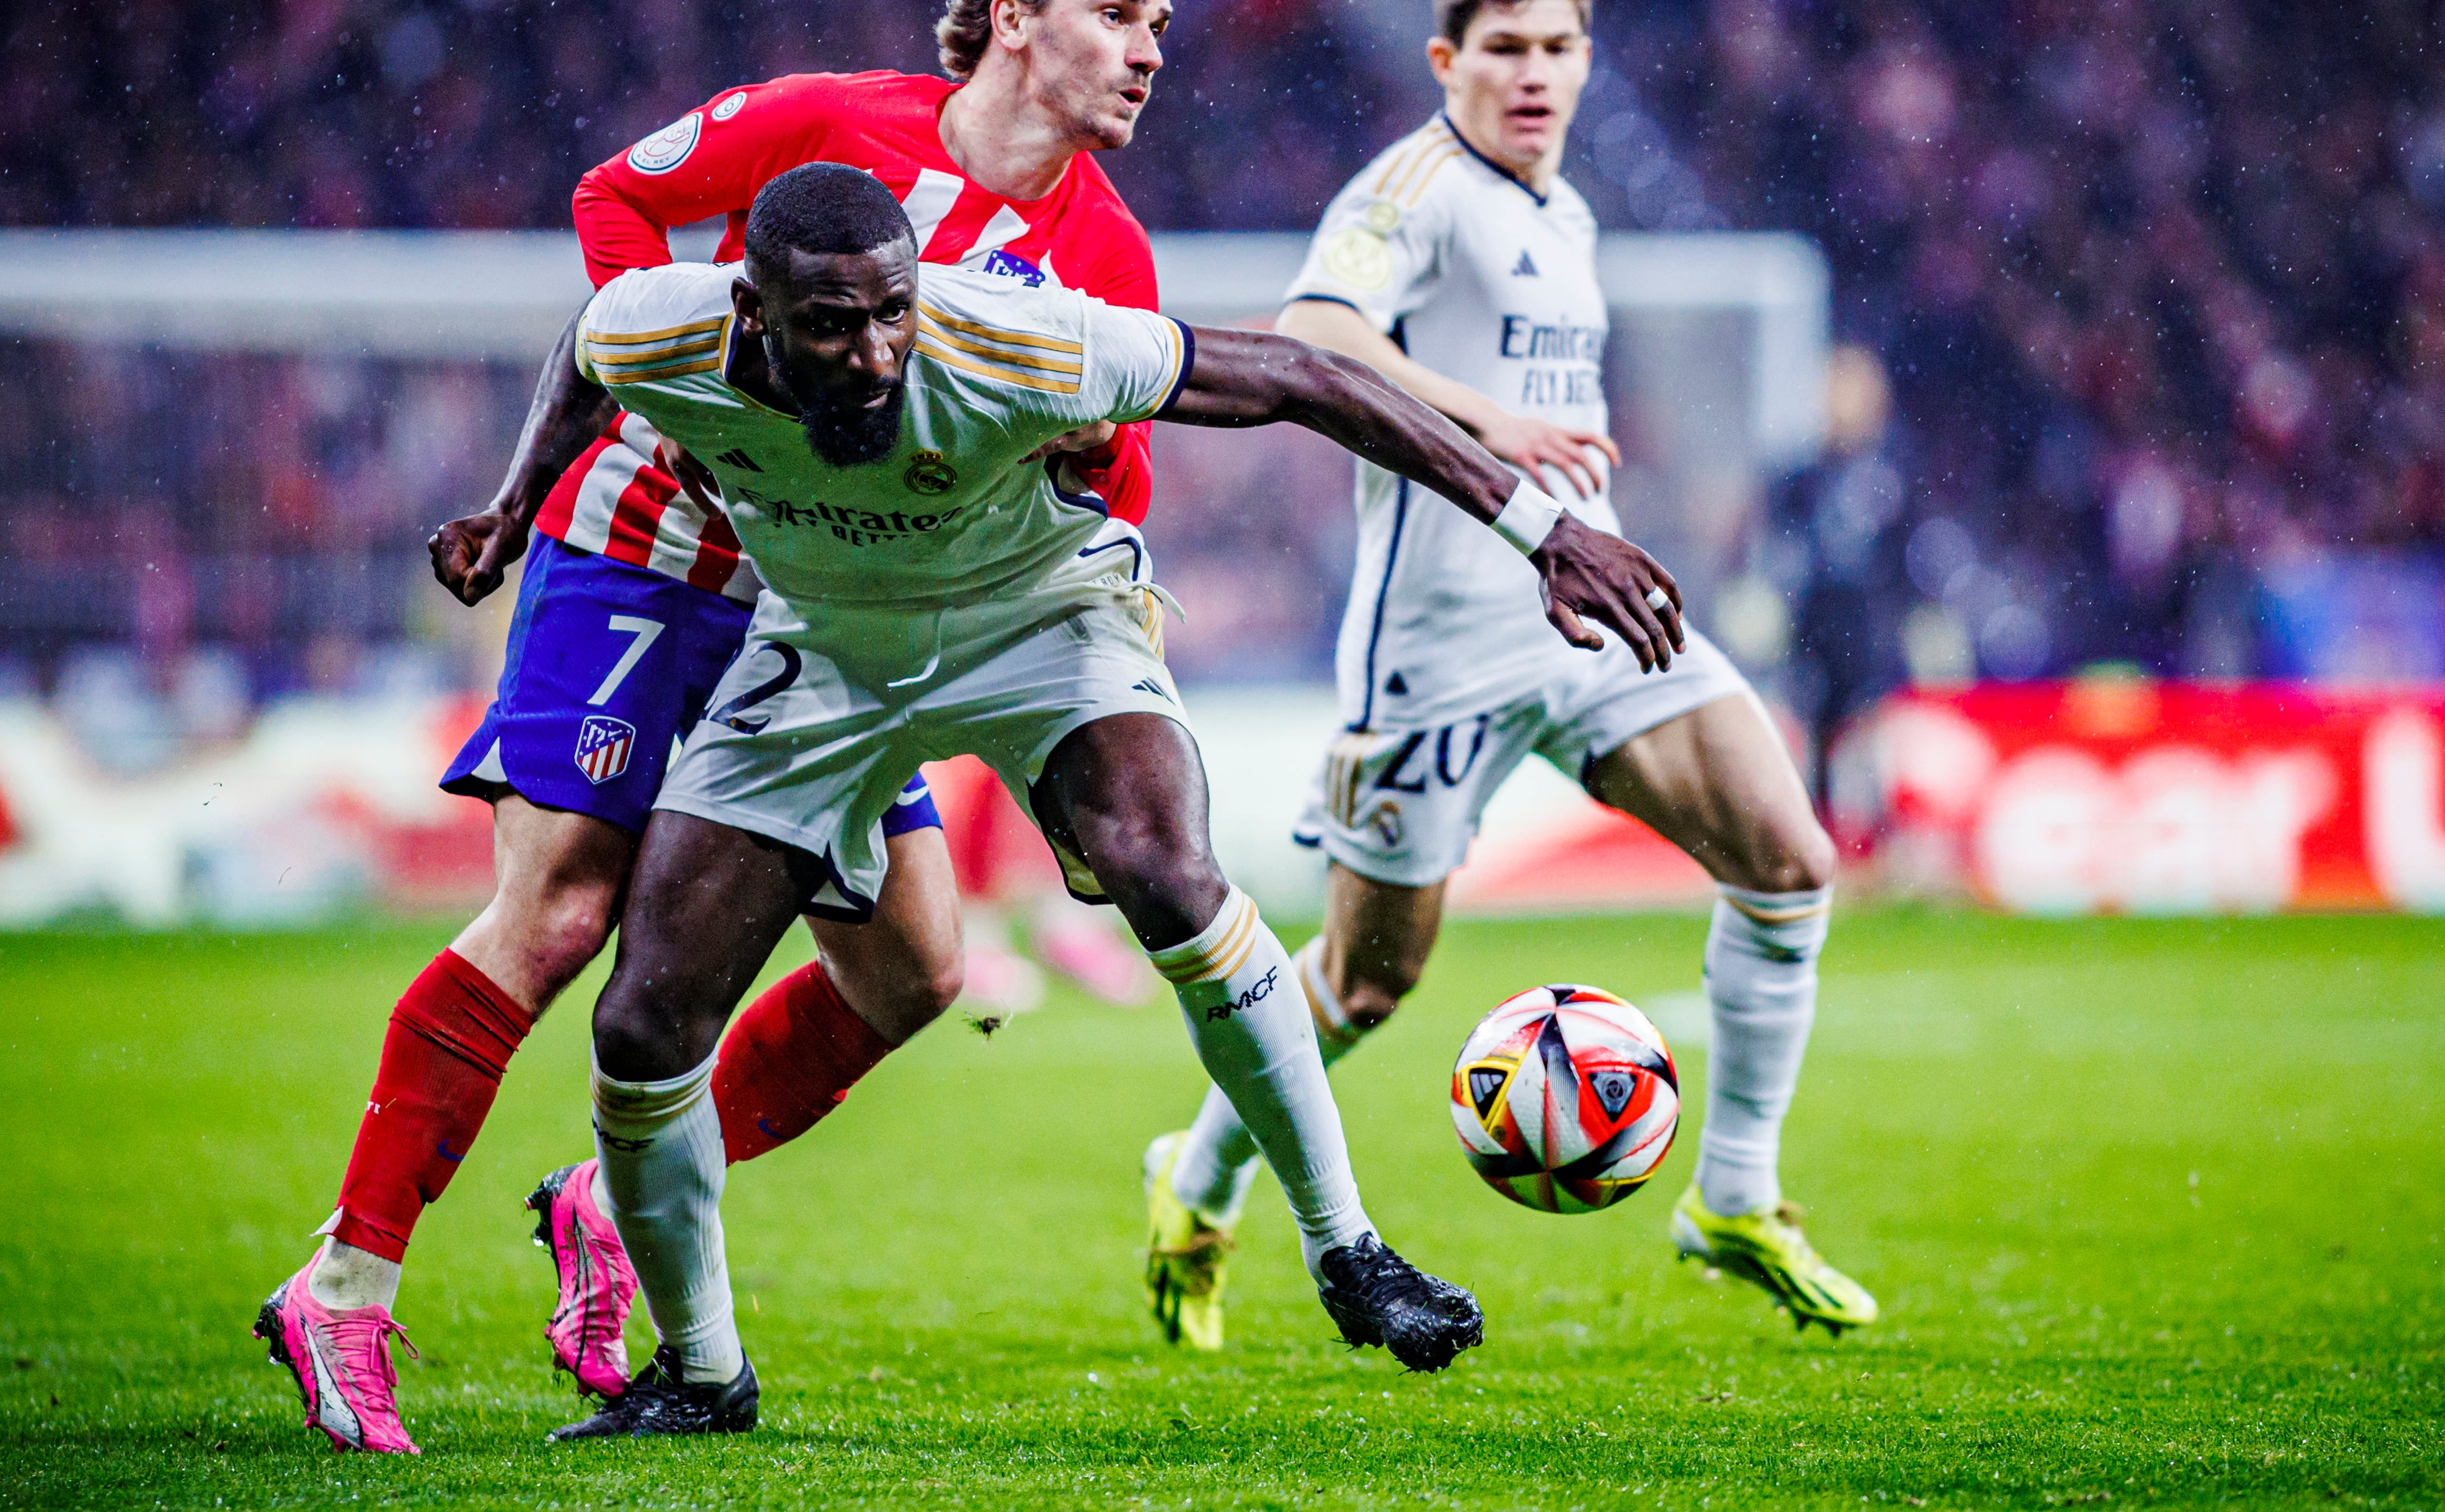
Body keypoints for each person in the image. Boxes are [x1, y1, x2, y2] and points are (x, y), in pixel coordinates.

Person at [252, 0, 1184, 1456]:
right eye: (1119, 12)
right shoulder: (831, 124)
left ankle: (601, 1209)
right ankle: (343, 1287)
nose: (1152, 49)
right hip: (639, 555)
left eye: (1162, 23)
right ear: (1012, 23)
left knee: (913, 974)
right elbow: (616, 204)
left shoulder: (1105, 253)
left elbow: (1104, 505)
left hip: (822, 620)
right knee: (558, 910)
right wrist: (687, 412)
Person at [540, 159, 1685, 1437]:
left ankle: (1348, 1250)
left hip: (1039, 619)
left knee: (1164, 870)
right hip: (823, 645)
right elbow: (585, 359)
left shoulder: (1015, 340)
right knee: (643, 1022)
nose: (872, 356)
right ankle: (701, 1375)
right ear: (750, 309)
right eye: (829, 325)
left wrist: (1547, 532)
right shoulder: (660, 325)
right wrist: (506, 506)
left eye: (891, 314)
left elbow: (1309, 378)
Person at [1139, 0, 1875, 1355]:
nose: (1532, 74)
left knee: (1788, 860)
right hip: (1440, 646)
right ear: (1446, 61)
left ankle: (1731, 1194)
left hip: (1583, 615)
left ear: (1586, 61)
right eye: (1504, 50)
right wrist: (1493, 423)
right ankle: (1200, 1173)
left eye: (1556, 50)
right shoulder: (1412, 189)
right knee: (1363, 983)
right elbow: (1311, 336)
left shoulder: (1570, 215)